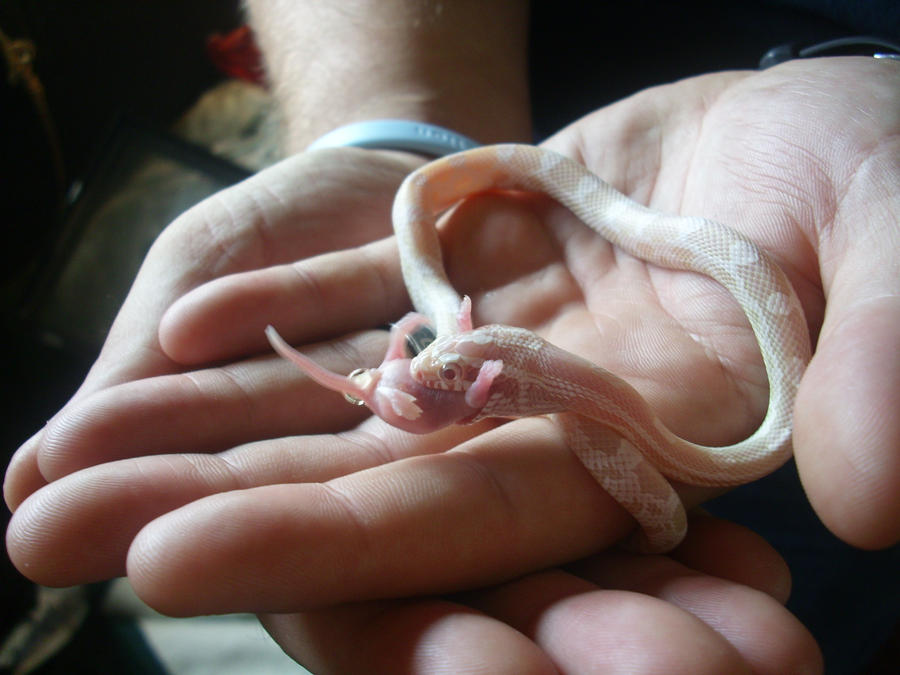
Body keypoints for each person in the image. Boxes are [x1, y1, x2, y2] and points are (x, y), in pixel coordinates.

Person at [5, 1, 899, 672]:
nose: (437, 368)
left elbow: (549, 404)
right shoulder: (550, 385)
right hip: (551, 134)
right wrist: (400, 126)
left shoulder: (619, 403)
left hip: (785, 303)